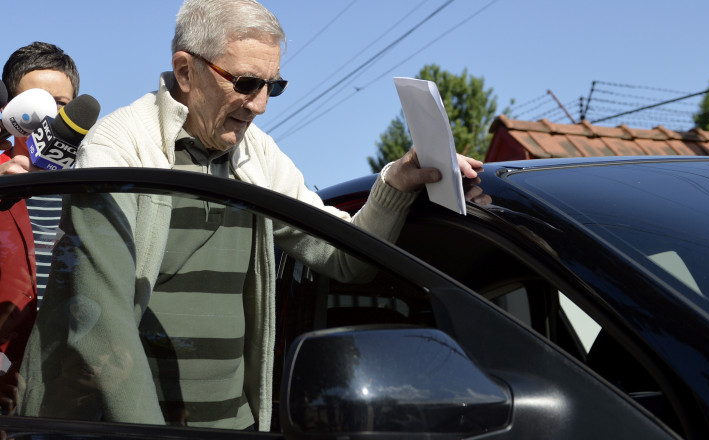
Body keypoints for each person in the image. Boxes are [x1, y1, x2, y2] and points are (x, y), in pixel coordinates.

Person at [18, 0, 483, 431]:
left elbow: (345, 257)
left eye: (272, 86)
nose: (260, 104)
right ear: (186, 70)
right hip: (122, 428)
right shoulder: (116, 149)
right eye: (245, 83)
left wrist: (395, 184)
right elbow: (101, 322)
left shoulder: (256, 155)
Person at [0, 42, 79, 413]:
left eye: (62, 105)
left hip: (69, 390)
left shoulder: (95, 185)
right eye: (36, 101)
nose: (49, 116)